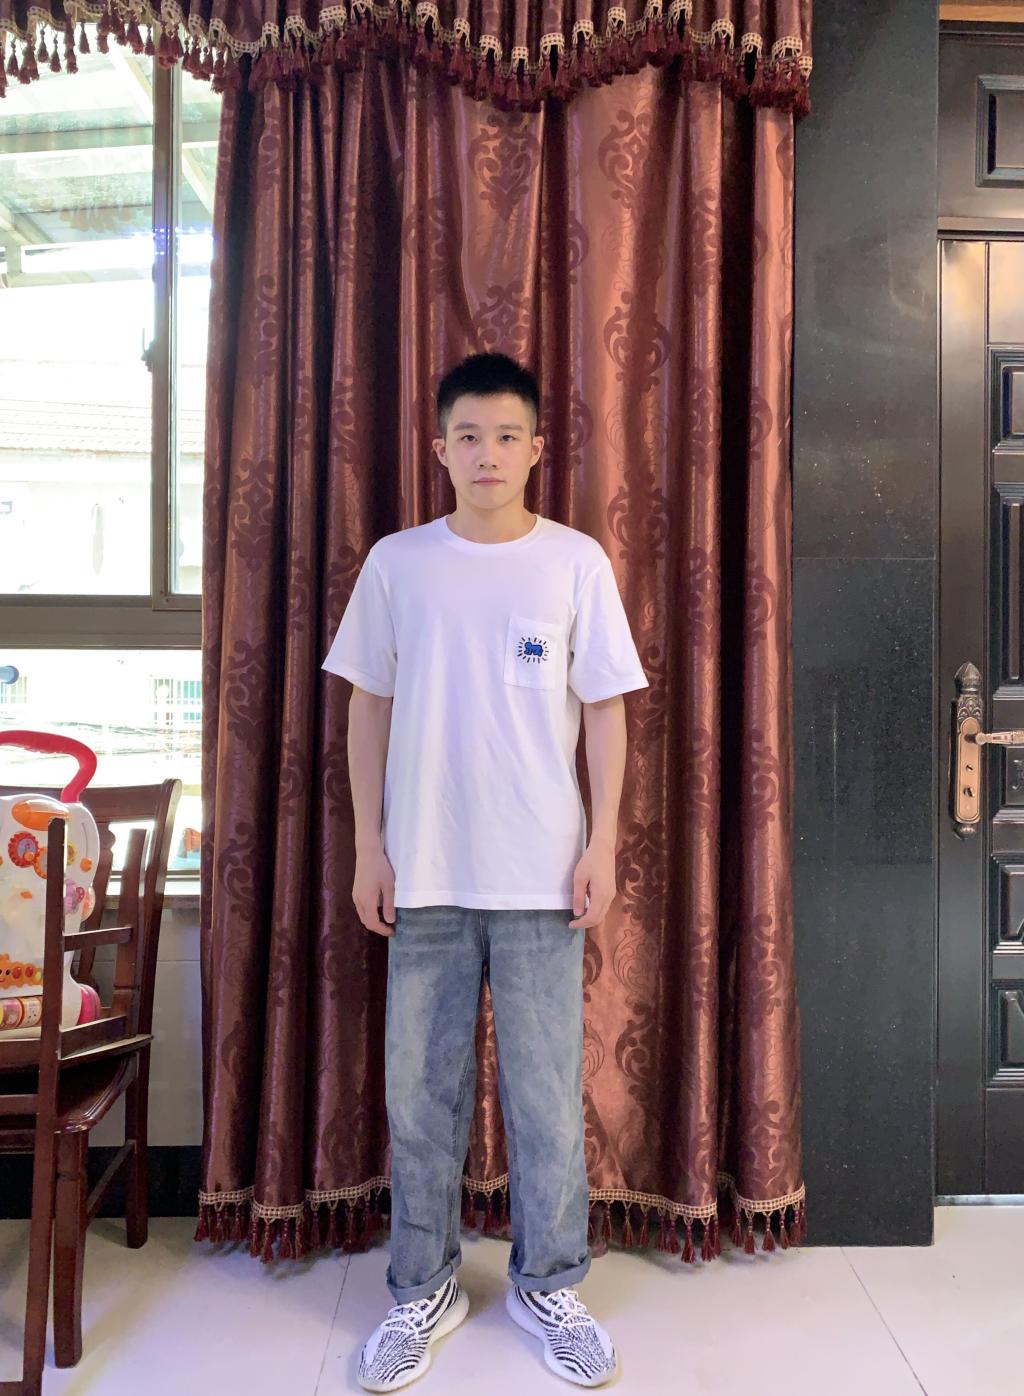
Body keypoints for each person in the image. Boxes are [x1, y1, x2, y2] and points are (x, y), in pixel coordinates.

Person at [322, 352, 649, 1392]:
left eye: (508, 436)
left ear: (537, 448)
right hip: (422, 872)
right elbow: (366, 704)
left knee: (546, 1098)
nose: (488, 454)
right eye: (469, 436)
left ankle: (548, 1283)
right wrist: (368, 845)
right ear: (440, 448)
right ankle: (422, 1287)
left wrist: (601, 843)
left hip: (543, 874)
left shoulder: (574, 564)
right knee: (421, 1098)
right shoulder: (399, 564)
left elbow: (607, 708)